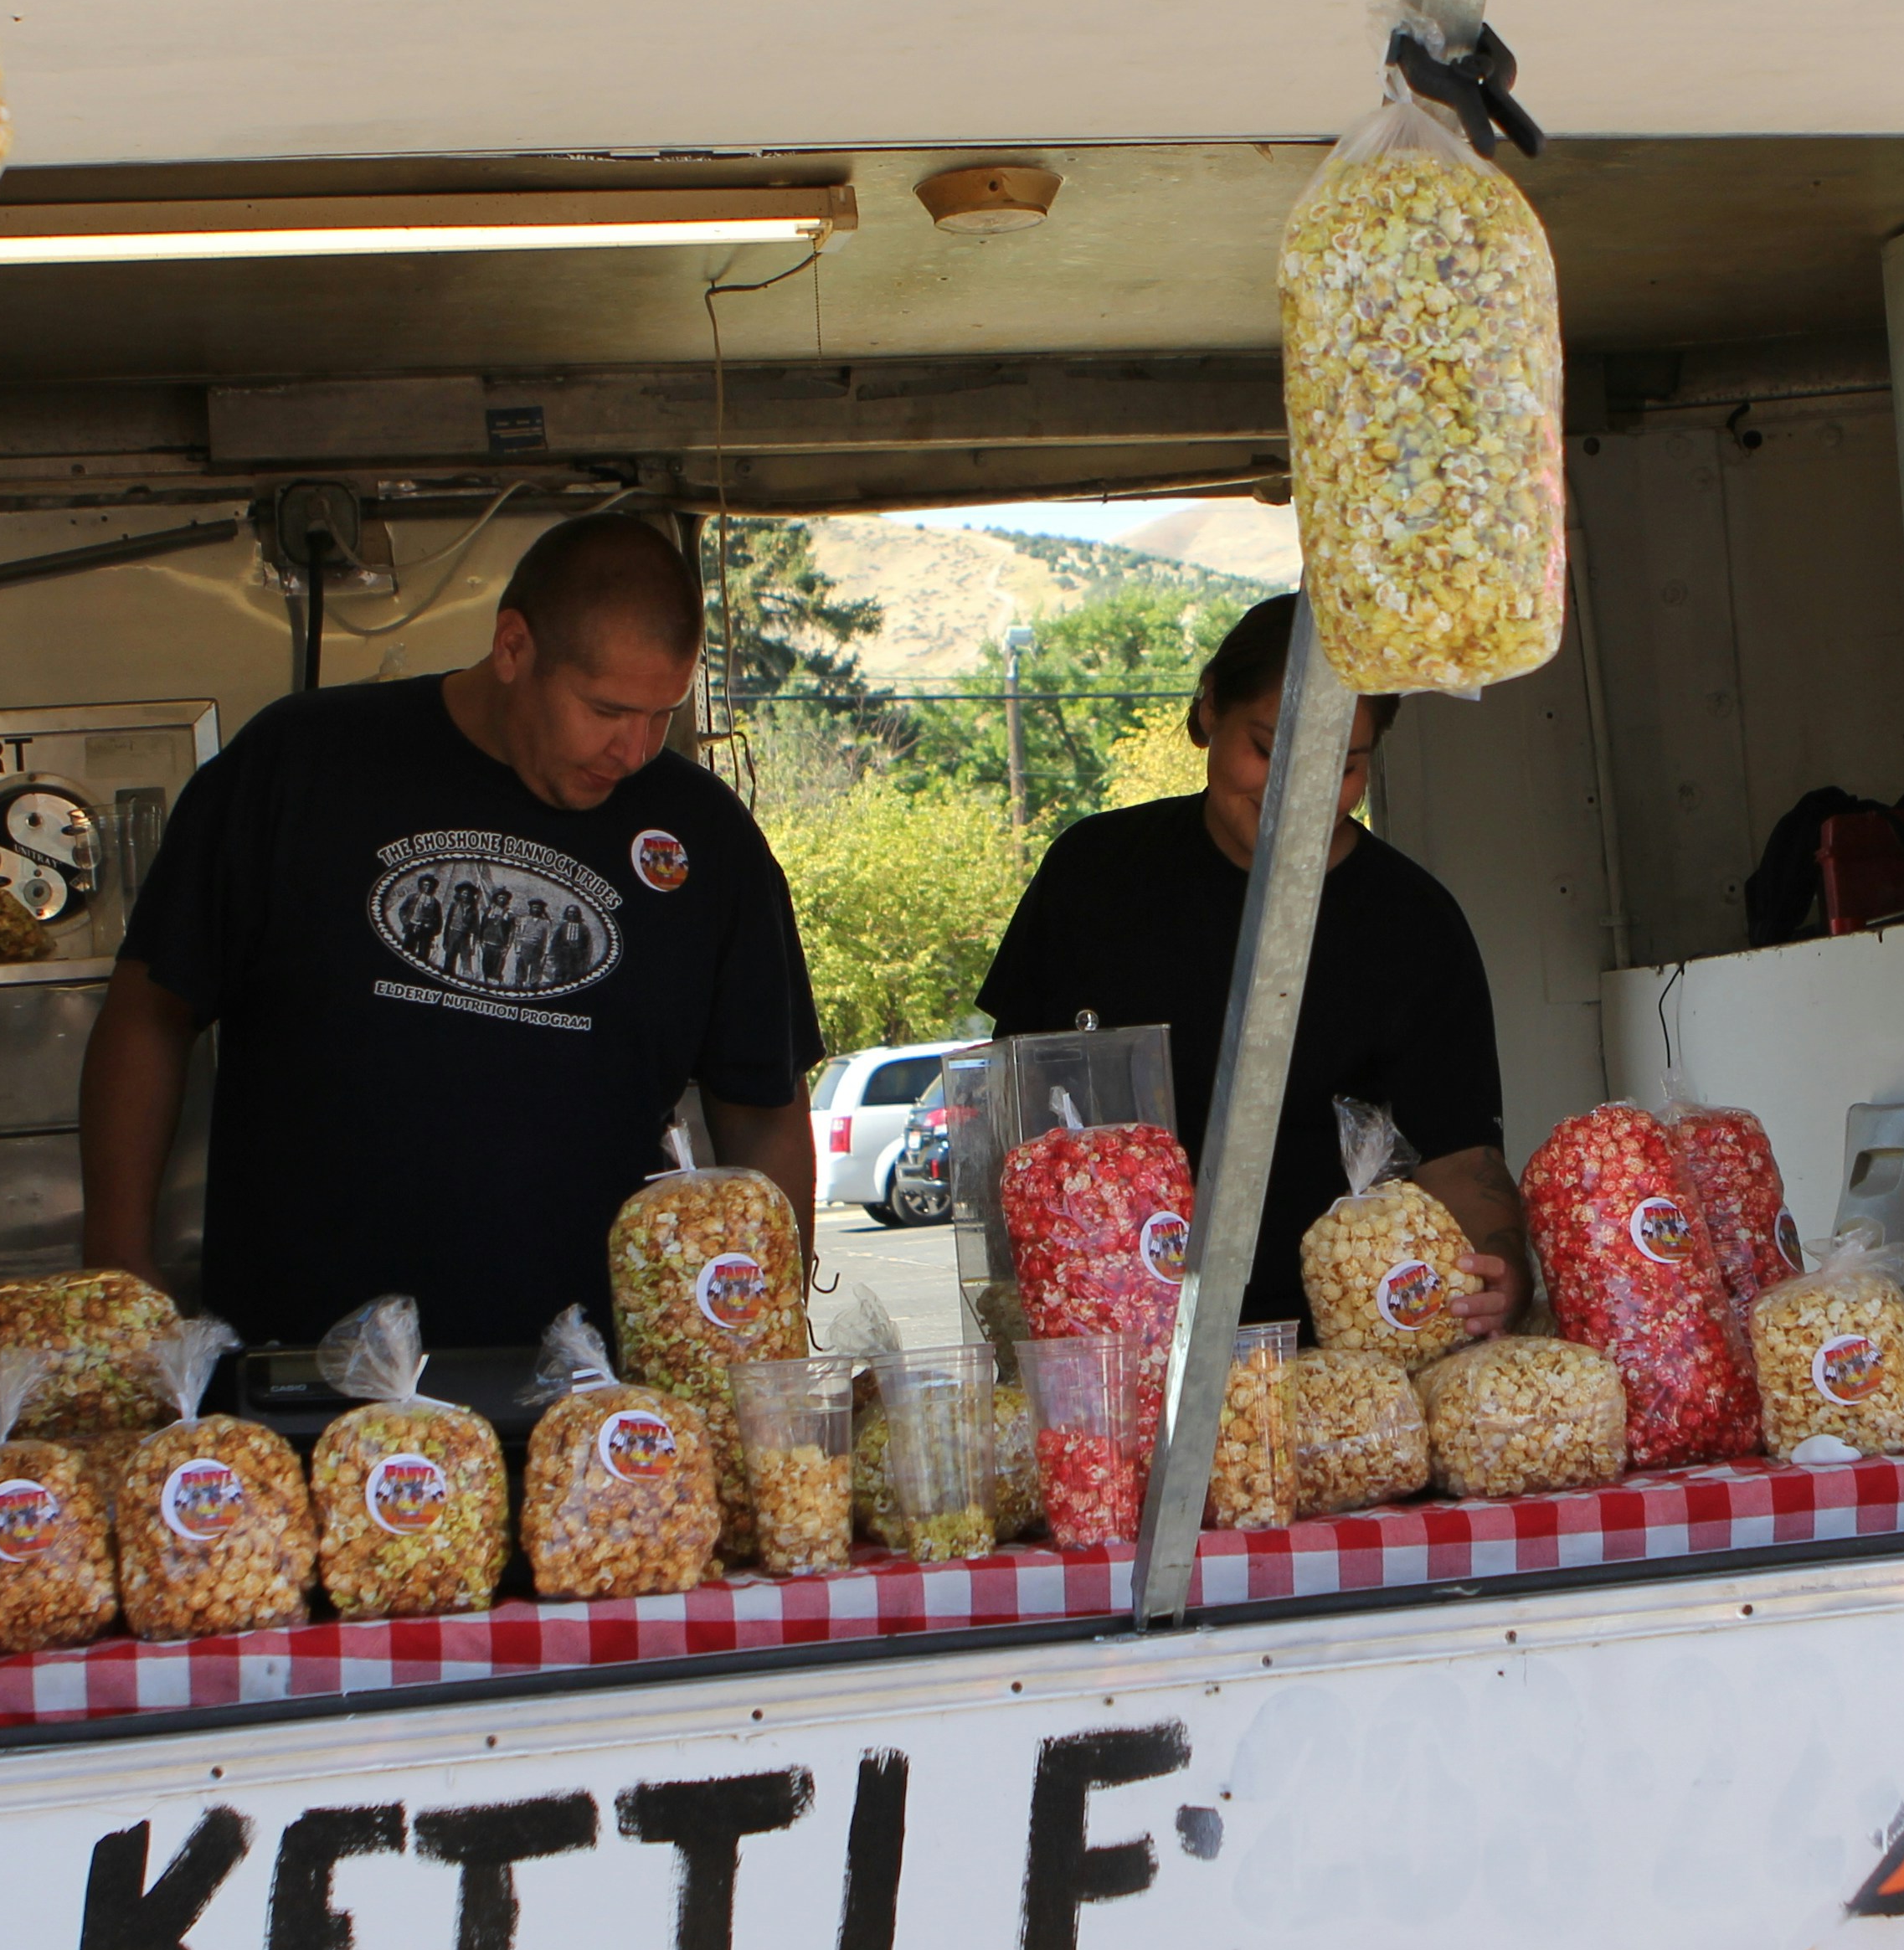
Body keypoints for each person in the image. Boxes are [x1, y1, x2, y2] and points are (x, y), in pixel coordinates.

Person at [81, 511, 816, 1351]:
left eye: (661, 714)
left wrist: (771, 1339)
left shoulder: (706, 840)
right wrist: (115, 1261)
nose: (635, 750)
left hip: (597, 1392)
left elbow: (762, 1108)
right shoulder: (303, 764)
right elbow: (149, 1010)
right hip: (306, 1376)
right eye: (607, 708)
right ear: (514, 648)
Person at [978, 593, 1530, 1335]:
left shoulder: (1412, 922)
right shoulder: (1095, 874)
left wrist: (1504, 1277)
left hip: (1336, 1350)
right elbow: (1012, 1114)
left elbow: (1462, 1158)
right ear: (1209, 710)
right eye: (1269, 751)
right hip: (1115, 1337)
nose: (1298, 795)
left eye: (1344, 765)